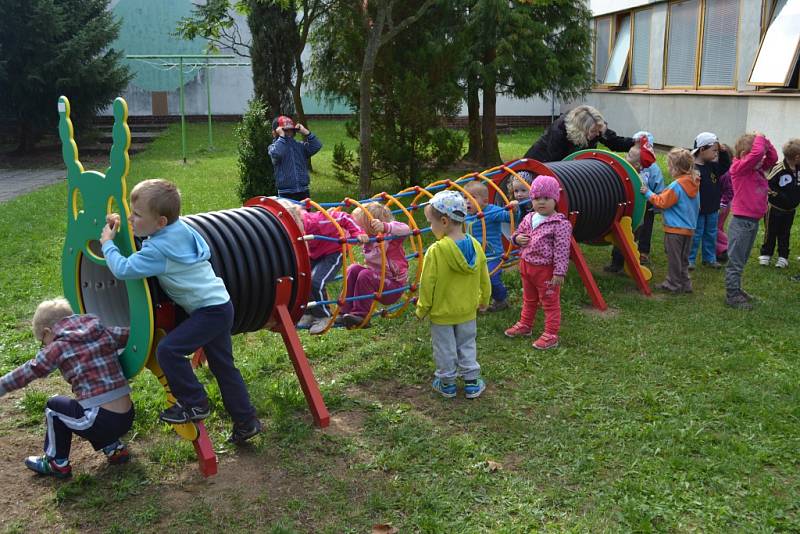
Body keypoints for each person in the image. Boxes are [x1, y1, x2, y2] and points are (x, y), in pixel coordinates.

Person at [100, 179, 261, 444]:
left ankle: (195, 402)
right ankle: (247, 422)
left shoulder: (159, 250)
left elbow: (124, 269)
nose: (131, 217)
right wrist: (127, 224)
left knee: (168, 350)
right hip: (221, 305)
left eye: (137, 214)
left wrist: (108, 243)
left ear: (161, 222)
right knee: (224, 368)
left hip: (208, 312)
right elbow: (143, 234)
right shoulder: (180, 228)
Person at [0, 298, 133, 478]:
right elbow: (132, 335)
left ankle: (56, 462)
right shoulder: (101, 331)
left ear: (48, 331)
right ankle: (114, 448)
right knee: (85, 407)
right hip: (127, 416)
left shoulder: (59, 346)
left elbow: (28, 371)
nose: (45, 346)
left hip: (101, 421)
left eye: (43, 342)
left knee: (54, 407)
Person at [417, 190, 491, 399]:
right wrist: (484, 300)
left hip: (442, 313)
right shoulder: (476, 245)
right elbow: (484, 277)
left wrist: (423, 308)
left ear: (444, 221)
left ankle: (447, 383)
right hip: (468, 310)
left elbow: (427, 283)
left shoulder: (436, 250)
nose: (430, 227)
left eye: (431, 222)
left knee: (445, 348)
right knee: (467, 344)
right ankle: (472, 382)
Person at [504, 175, 572, 350]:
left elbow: (562, 250)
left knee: (549, 302)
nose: (541, 202)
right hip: (526, 267)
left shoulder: (560, 223)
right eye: (536, 198)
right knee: (529, 299)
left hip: (546, 271)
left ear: (555, 200)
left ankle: (551, 334)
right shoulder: (529, 218)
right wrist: (517, 238)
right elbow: (516, 233)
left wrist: (559, 272)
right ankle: (525, 325)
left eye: (546, 198)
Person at [282, 201, 369, 334]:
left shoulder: (318, 222)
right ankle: (308, 312)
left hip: (333, 251)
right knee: (301, 279)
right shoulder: (297, 228)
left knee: (316, 281)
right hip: (315, 253)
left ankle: (324, 316)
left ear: (298, 222)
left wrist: (358, 232)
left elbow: (343, 217)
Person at [725, 133, 778, 309]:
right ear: (742, 155)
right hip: (741, 223)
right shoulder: (739, 168)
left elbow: (773, 157)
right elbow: (755, 155)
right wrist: (760, 139)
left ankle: (737, 289)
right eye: (758, 156)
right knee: (736, 260)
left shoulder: (756, 169)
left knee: (742, 258)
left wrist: (766, 144)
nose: (762, 159)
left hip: (751, 222)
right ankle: (732, 295)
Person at [338, 202, 411, 327]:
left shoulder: (390, 238)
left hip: (393, 287)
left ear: (372, 226)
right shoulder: (365, 237)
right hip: (377, 283)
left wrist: (385, 227)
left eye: (357, 225)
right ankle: (343, 311)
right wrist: (333, 220)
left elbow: (406, 229)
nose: (353, 227)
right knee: (353, 268)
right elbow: (345, 237)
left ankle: (361, 316)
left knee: (365, 274)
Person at [640, 148, 700, 294]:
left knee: (674, 259)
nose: (668, 169)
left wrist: (648, 193)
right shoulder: (694, 182)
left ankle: (672, 284)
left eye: (669, 166)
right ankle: (685, 283)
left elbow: (662, 202)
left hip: (675, 230)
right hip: (689, 230)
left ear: (676, 168)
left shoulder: (677, 186)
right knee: (683, 259)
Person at [605, 140, 664, 272]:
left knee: (628, 241)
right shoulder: (625, 173)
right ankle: (617, 263)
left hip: (635, 218)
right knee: (621, 240)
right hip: (624, 215)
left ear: (637, 164)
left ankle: (627, 264)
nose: (626, 158)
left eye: (629, 156)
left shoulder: (638, 179)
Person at [464, 181, 518, 312]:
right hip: (474, 254)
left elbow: (508, 217)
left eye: (472, 198)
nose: (467, 202)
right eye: (465, 198)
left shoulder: (491, 211)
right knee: (472, 279)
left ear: (485, 201)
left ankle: (501, 299)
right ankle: (477, 300)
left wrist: (514, 209)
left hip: (492, 255)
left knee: (490, 277)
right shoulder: (465, 215)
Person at [524, 105, 635, 162]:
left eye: (598, 131)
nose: (597, 134)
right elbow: (556, 164)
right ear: (581, 129)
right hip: (541, 161)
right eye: (593, 131)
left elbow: (614, 142)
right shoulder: (560, 131)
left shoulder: (596, 125)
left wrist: (634, 142)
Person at [688, 132, 732, 270]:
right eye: (714, 151)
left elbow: (726, 165)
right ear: (702, 150)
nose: (715, 154)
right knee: (696, 234)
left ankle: (709, 258)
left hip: (713, 208)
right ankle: (690, 259)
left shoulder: (712, 166)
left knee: (711, 234)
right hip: (699, 210)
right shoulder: (692, 169)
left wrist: (724, 152)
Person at [758, 138, 800, 268]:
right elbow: (768, 184)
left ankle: (783, 256)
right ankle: (766, 254)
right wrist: (780, 196)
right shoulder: (779, 168)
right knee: (771, 231)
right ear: (797, 157)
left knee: (785, 232)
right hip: (774, 208)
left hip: (790, 210)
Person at [268, 115, 322, 201]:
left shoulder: (300, 146)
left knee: (305, 214)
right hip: (286, 193)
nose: (289, 133)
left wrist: (305, 132)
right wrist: (281, 137)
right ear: (276, 132)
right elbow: (276, 154)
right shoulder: (273, 148)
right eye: (285, 131)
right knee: (289, 214)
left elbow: (317, 145)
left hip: (303, 191)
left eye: (291, 130)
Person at [716, 170, 734, 263]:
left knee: (714, 228)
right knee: (718, 227)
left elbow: (729, 190)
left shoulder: (725, 173)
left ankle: (727, 247)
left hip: (722, 204)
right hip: (721, 203)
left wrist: (723, 203)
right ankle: (720, 251)